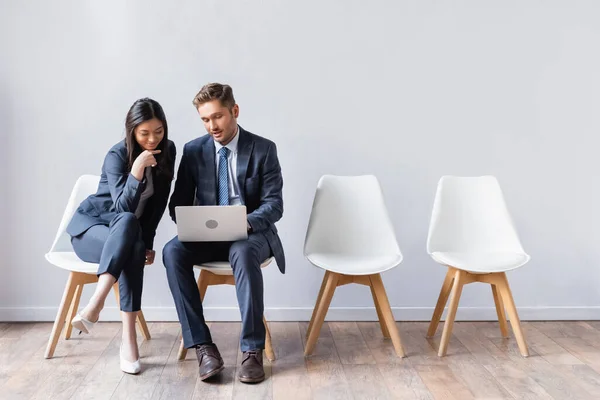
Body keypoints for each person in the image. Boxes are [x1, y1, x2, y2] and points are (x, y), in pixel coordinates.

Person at [163, 83, 285, 383]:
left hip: (251, 235)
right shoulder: (193, 151)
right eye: (205, 120)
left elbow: (274, 205)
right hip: (209, 235)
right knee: (172, 251)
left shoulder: (263, 148)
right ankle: (203, 347)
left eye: (217, 117)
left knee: (242, 252)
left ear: (235, 111)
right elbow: (177, 204)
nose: (211, 126)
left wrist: (245, 222)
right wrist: (194, 220)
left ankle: (252, 350)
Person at [66, 98, 176, 374]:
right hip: (92, 232)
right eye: (144, 133)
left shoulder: (168, 150)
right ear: (131, 131)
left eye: (159, 131)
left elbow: (160, 202)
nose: (152, 139)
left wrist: (148, 242)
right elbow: (121, 210)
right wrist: (137, 170)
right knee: (127, 228)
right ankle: (107, 315)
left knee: (134, 247)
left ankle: (98, 312)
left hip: (127, 238)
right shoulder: (117, 155)